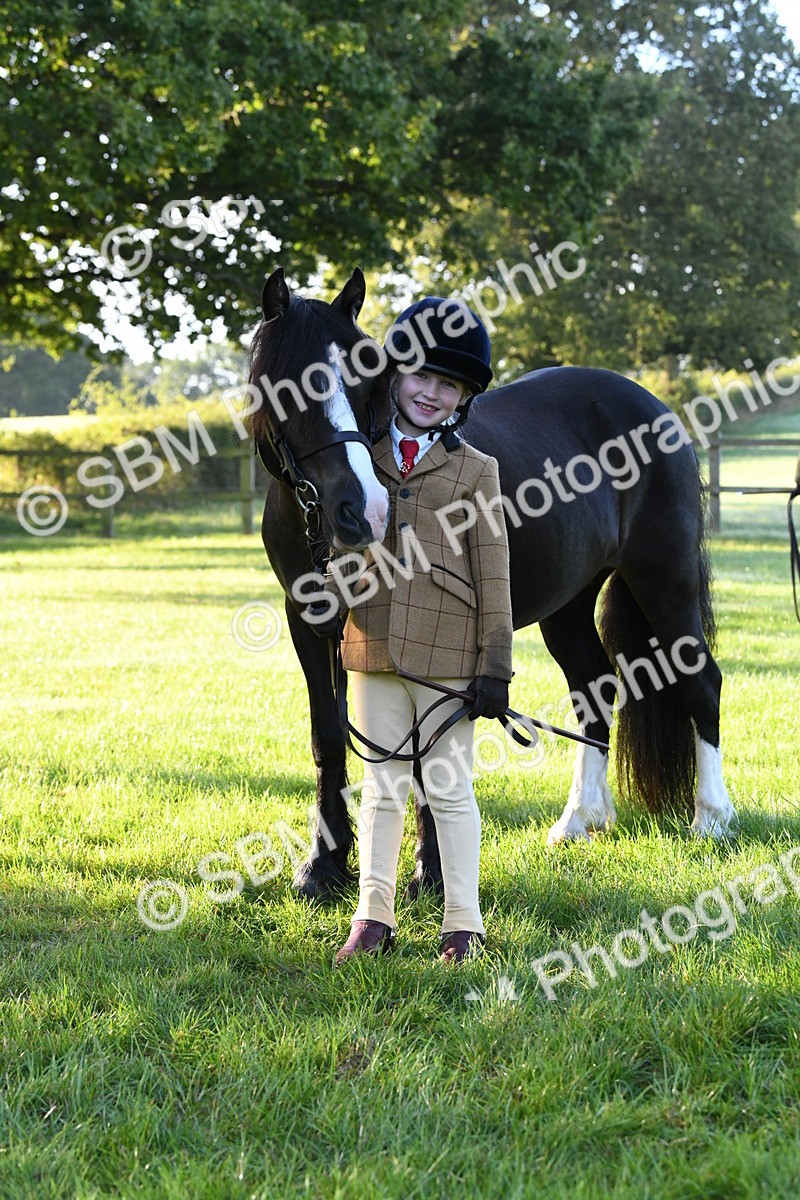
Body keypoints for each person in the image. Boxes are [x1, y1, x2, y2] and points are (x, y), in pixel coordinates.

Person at [317, 297, 513, 965]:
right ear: (396, 376)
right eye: (421, 376)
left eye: (448, 384)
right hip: (372, 650)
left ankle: (463, 923)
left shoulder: (476, 470)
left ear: (463, 397)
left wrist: (496, 669)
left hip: (450, 656)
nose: (431, 392)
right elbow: (340, 561)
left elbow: (495, 578)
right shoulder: (359, 460)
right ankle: (373, 917)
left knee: (451, 789)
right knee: (381, 788)